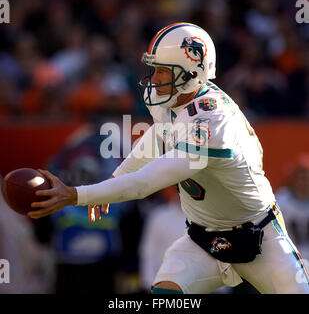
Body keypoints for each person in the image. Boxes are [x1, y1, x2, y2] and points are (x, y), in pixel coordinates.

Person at [28, 22, 309, 294]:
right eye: (154, 69)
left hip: (259, 237)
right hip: (203, 239)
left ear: (192, 74)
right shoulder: (173, 101)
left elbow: (147, 182)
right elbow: (157, 138)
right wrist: (116, 178)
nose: (154, 79)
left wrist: (78, 195)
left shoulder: (213, 121)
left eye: (163, 71)